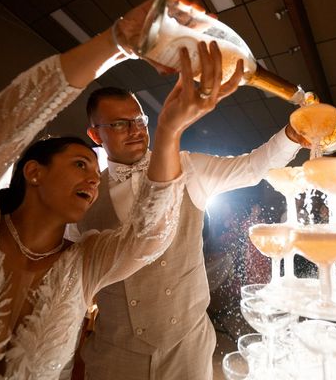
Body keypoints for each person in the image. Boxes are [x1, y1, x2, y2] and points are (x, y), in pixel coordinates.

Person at [0, 0, 241, 379]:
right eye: (82, 164)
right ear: (34, 172)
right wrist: (117, 42)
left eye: (96, 176)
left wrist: (168, 132)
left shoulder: (84, 262)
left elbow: (150, 237)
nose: (94, 181)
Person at [75, 46, 307, 380]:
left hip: (187, 345)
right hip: (115, 354)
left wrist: (293, 136)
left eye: (139, 120)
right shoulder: (84, 193)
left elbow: (253, 166)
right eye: (120, 124)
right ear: (96, 134)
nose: (136, 129)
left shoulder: (189, 168)